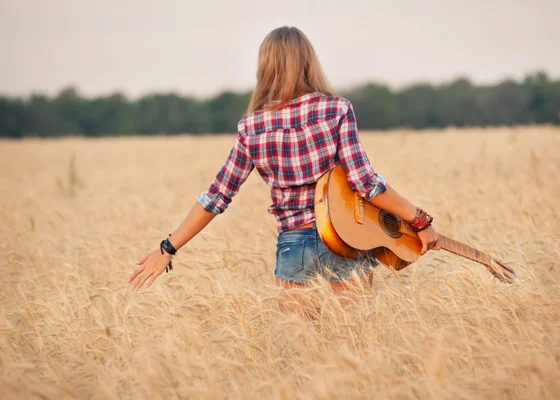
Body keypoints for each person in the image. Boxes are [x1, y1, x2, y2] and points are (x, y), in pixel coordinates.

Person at [128, 26, 440, 299]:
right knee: (353, 348)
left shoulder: (252, 127)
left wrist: (167, 248)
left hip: (294, 246)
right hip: (346, 242)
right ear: (309, 63)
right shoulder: (336, 110)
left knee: (298, 357)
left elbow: (215, 197)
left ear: (264, 67)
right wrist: (420, 221)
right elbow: (365, 184)